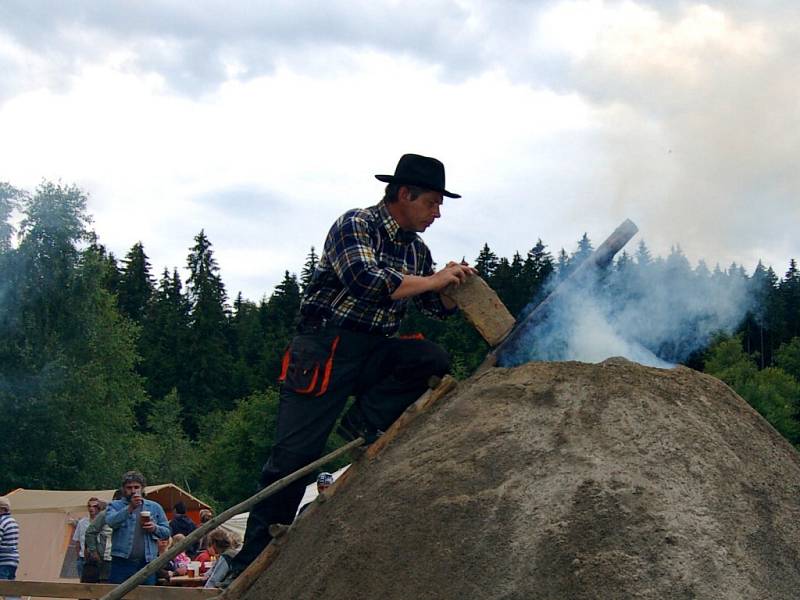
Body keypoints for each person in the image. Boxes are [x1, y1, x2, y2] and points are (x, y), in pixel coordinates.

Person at [229, 153, 474, 578]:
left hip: (373, 349)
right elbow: (366, 281)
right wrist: (434, 280)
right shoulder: (356, 225)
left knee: (429, 358)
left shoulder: (417, 251)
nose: (437, 212)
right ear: (404, 194)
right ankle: (249, 564)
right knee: (292, 460)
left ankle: (363, 424)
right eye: (432, 202)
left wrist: (452, 286)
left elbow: (434, 306)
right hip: (324, 348)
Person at [105, 471, 171, 585]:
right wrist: (130, 508)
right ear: (123, 489)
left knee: (146, 596)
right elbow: (111, 522)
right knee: (117, 595)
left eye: (137, 487)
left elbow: (167, 532)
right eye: (129, 487)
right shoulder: (115, 505)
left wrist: (154, 528)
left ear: (143, 488)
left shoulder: (154, 507)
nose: (133, 491)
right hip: (121, 562)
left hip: (147, 563)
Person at [73, 497, 100, 579]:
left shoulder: (103, 522)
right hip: (83, 559)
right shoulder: (82, 523)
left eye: (94, 506)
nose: (91, 508)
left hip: (98, 559)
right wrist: (78, 557)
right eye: (89, 506)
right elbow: (77, 541)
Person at [0, 496, 20, 600]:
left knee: (4, 588)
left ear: (2, 509)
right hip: (13, 560)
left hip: (2, 560)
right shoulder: (12, 521)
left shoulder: (1, 522)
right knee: (11, 589)